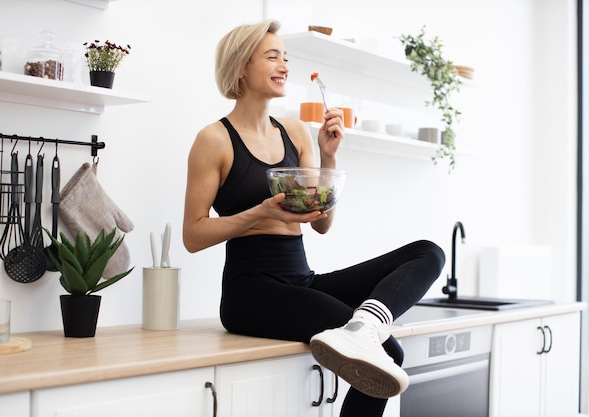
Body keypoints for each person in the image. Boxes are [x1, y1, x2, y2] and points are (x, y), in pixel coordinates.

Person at [183, 19, 446, 417]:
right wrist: (259, 212)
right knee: (387, 352)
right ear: (240, 66)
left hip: (300, 279)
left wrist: (330, 157)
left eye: (285, 57)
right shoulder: (214, 139)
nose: (284, 65)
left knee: (428, 252)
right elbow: (193, 234)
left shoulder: (295, 132)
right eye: (272, 56)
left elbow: (320, 223)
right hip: (250, 292)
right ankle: (366, 334)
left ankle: (363, 327)